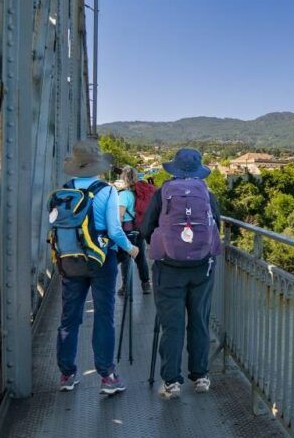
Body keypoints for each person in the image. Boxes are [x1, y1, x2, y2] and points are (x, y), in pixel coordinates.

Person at [54, 140, 138, 394]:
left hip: (69, 259)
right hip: (102, 260)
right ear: (98, 166)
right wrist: (130, 248)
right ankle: (107, 376)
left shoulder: (66, 190)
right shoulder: (107, 190)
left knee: (69, 317)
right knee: (104, 315)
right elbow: (114, 230)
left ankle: (67, 374)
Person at [141, 148, 222, 400]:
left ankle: (171, 382)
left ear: (174, 169)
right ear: (199, 170)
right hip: (202, 268)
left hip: (168, 269)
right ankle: (200, 376)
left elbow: (146, 229)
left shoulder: (162, 193)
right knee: (199, 319)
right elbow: (216, 226)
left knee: (172, 324)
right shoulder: (207, 195)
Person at [115, 167, 152, 295]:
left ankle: (125, 286)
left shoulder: (124, 194)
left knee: (126, 257)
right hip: (139, 229)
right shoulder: (139, 192)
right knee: (141, 257)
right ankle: (146, 284)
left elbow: (120, 215)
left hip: (127, 230)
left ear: (123, 178)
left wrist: (116, 231)